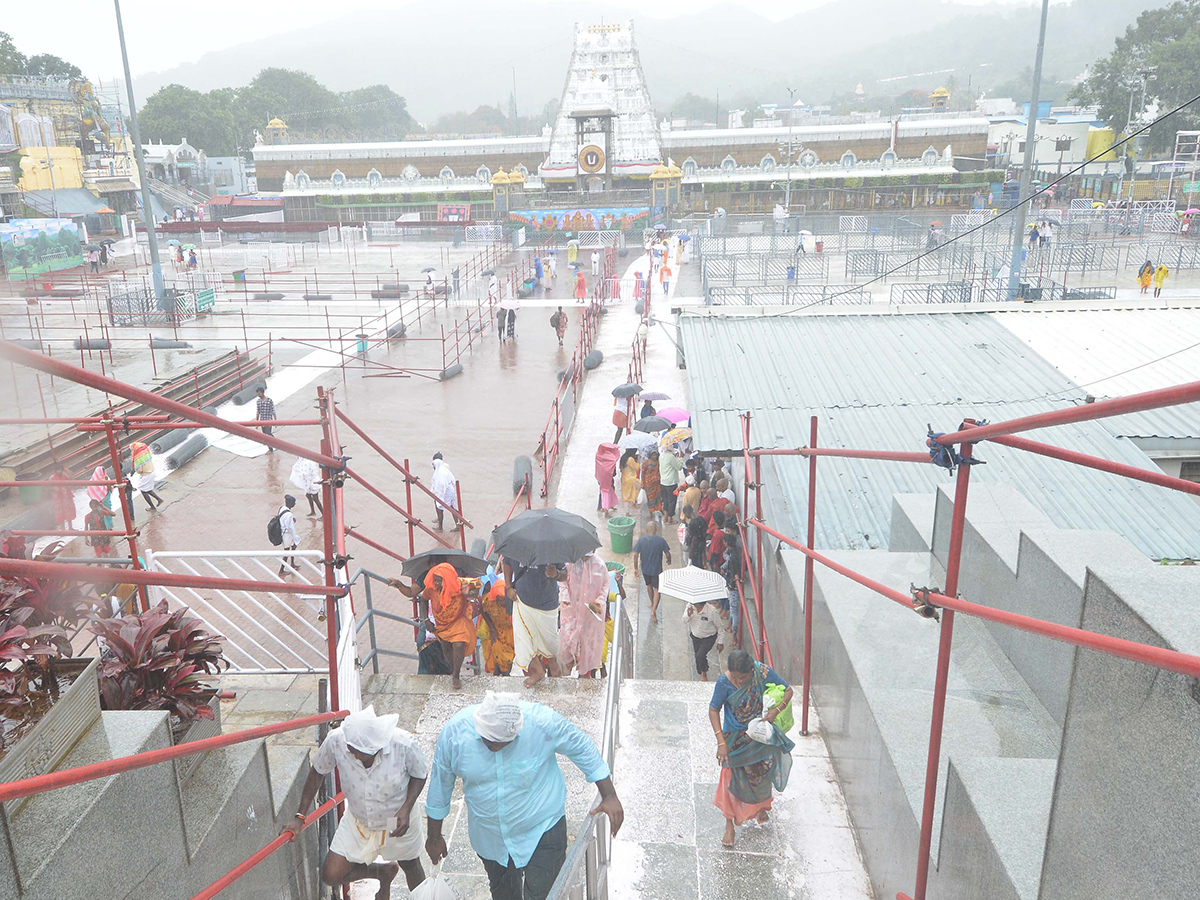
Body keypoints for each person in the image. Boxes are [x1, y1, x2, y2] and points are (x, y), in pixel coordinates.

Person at [425, 693, 624, 900]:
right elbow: (441, 783)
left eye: (503, 743)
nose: (495, 747)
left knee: (545, 895)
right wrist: (434, 836)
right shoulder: (454, 733)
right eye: (489, 740)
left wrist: (608, 794)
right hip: (491, 838)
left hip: (542, 828)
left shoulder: (541, 722)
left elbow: (580, 745)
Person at [281, 705, 427, 900]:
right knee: (331, 874)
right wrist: (300, 816)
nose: (353, 755)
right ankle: (383, 873)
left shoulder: (403, 744)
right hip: (360, 820)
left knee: (411, 865)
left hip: (394, 818)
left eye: (359, 753)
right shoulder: (337, 740)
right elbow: (317, 772)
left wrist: (406, 808)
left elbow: (420, 774)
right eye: (350, 750)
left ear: (376, 748)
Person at [709, 651, 794, 847]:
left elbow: (788, 690)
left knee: (761, 774)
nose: (739, 682)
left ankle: (761, 807)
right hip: (734, 739)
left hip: (760, 735)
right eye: (736, 678)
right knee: (730, 779)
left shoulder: (761, 672)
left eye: (744, 678)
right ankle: (729, 824)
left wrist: (776, 710)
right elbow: (714, 709)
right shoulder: (723, 683)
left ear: (751, 672)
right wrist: (721, 742)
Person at [503, 558, 567, 687]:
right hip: (522, 600)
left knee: (551, 641)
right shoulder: (516, 543)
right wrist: (509, 586)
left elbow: (565, 574)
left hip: (547, 604)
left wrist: (556, 574)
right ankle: (537, 670)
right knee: (523, 638)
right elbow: (507, 563)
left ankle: (553, 664)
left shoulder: (551, 547)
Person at [421, 563, 475, 690]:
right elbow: (423, 600)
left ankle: (455, 675)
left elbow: (473, 594)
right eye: (435, 580)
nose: (437, 583)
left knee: (459, 644)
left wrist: (471, 588)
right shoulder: (432, 590)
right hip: (442, 624)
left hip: (458, 621)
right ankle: (454, 668)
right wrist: (426, 620)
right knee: (446, 648)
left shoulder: (459, 587)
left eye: (440, 580)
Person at [560, 553, 608, 677]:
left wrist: (598, 602)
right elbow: (562, 582)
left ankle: (584, 678)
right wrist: (565, 598)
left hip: (590, 616)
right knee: (567, 642)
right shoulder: (569, 564)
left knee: (587, 649)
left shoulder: (600, 566)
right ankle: (568, 668)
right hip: (572, 612)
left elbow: (605, 586)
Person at [477, 567, 515, 676]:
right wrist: (492, 628)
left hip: (509, 632)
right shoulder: (489, 601)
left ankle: (506, 675)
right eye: (500, 599)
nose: (503, 601)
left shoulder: (512, 601)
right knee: (495, 653)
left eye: (504, 599)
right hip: (495, 631)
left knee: (508, 657)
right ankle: (498, 674)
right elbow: (484, 612)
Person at [632, 521, 671, 623]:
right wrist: (669, 560)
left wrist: (635, 568)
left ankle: (652, 604)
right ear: (656, 530)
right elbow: (667, 553)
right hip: (656, 570)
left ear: (646, 530)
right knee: (657, 589)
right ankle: (654, 610)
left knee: (648, 586)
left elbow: (635, 555)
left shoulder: (641, 541)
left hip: (645, 569)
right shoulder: (661, 540)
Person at [686, 600, 729, 681]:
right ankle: (701, 670)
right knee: (697, 656)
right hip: (695, 636)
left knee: (700, 655)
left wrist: (720, 642)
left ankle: (704, 673)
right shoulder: (689, 607)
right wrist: (688, 615)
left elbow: (720, 627)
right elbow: (684, 620)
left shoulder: (712, 611)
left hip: (708, 637)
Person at [128, 441, 163, 511]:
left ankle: (153, 506)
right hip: (151, 471)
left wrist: (134, 471)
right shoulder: (145, 454)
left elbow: (139, 470)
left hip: (146, 474)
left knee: (143, 490)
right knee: (147, 489)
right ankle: (159, 499)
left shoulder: (138, 458)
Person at [721, 522, 743, 636]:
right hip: (735, 584)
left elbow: (731, 568)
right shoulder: (738, 551)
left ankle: (735, 634)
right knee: (732, 607)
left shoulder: (733, 557)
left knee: (734, 611)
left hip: (734, 586)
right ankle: (730, 626)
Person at [430, 452, 458, 531]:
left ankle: (440, 527)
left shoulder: (440, 472)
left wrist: (440, 497)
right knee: (452, 507)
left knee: (440, 508)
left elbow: (442, 486)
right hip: (450, 491)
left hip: (445, 492)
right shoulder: (443, 468)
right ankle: (458, 524)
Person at [276, 494, 301, 574]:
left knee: (293, 546)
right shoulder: (289, 515)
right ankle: (281, 570)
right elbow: (290, 527)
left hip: (284, 532)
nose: (294, 504)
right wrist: (294, 537)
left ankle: (292, 563)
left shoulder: (282, 508)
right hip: (287, 534)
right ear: (291, 503)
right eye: (294, 503)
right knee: (286, 552)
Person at [659, 447, 683, 524]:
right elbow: (678, 467)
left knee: (665, 499)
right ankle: (670, 518)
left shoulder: (661, 456)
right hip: (671, 482)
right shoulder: (670, 456)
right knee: (672, 500)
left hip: (663, 481)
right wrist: (680, 458)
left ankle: (665, 516)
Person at [595, 443, 619, 517]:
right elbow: (614, 473)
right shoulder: (611, 460)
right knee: (606, 494)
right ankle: (606, 512)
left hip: (601, 479)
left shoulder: (599, 457)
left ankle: (603, 507)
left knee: (604, 493)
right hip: (609, 480)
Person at [49, 464, 76, 531]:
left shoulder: (65, 476)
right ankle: (62, 530)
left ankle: (70, 528)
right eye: (58, 470)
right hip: (58, 499)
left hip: (66, 497)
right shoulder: (52, 478)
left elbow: (71, 478)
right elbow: (50, 487)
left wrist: (67, 471)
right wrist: (55, 489)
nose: (60, 471)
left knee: (69, 512)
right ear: (56, 470)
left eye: (61, 470)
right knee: (60, 514)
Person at [639, 450, 663, 519]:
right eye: (653, 455)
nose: (654, 456)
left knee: (659, 497)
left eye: (655, 455)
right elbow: (643, 473)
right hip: (648, 484)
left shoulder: (659, 462)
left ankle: (659, 509)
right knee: (650, 499)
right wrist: (642, 483)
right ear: (650, 455)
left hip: (657, 483)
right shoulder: (646, 463)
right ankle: (651, 512)